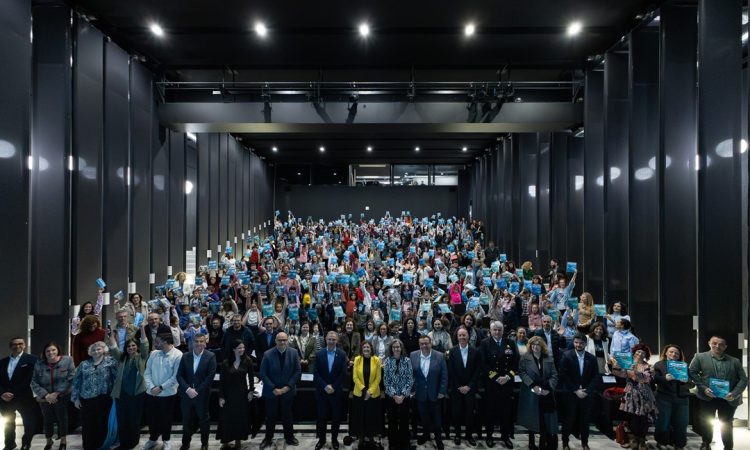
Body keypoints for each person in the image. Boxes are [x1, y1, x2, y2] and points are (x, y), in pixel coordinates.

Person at [689, 335, 748, 450]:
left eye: (721, 344)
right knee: (706, 422)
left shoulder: (735, 361)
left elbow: (743, 379)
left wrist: (734, 393)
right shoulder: (699, 357)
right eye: (714, 343)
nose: (717, 346)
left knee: (726, 423)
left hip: (728, 398)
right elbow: (692, 372)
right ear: (709, 343)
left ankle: (728, 447)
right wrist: (703, 388)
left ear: (725, 347)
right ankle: (706, 444)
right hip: (707, 397)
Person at [109, 321, 149, 450]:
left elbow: (144, 343)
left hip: (136, 393)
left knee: (134, 419)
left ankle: (133, 443)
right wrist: (111, 334)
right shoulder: (122, 358)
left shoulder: (142, 357)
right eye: (128, 346)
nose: (131, 348)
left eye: (133, 346)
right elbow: (113, 347)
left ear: (137, 347)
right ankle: (124, 443)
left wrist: (142, 329)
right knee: (122, 419)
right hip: (121, 394)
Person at [71, 341, 118, 450]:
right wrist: (75, 399)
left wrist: (116, 395)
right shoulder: (83, 364)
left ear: (104, 350)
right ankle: (89, 447)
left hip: (104, 398)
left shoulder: (111, 361)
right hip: (87, 399)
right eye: (93, 350)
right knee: (88, 425)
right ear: (90, 352)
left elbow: (116, 378)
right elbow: (76, 381)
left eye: (99, 349)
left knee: (102, 423)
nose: (96, 351)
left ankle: (102, 446)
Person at [259, 332, 302, 449]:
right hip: (271, 391)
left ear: (287, 340)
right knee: (270, 416)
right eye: (280, 340)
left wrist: (287, 387)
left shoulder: (294, 352)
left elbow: (297, 371)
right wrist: (273, 388)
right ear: (275, 341)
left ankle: (289, 437)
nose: (282, 342)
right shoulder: (267, 354)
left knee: (287, 415)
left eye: (284, 340)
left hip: (287, 391)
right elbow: (263, 373)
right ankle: (268, 438)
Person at [480, 321, 519, 449]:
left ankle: (505, 436)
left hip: (507, 383)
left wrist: (508, 376)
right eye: (495, 330)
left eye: (499, 330)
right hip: (492, 383)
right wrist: (496, 377)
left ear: (503, 331)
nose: (497, 332)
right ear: (490, 331)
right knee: (490, 410)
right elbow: (483, 363)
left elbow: (515, 363)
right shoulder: (485, 343)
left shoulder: (510, 343)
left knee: (506, 411)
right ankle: (489, 436)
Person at [611, 344, 658, 450]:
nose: (640, 354)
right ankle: (634, 440)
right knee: (632, 417)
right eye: (638, 352)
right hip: (631, 393)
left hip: (645, 394)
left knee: (644, 418)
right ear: (634, 353)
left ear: (646, 355)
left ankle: (642, 440)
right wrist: (616, 365)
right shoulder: (628, 364)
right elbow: (618, 373)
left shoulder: (649, 366)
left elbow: (646, 379)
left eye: (642, 353)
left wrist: (634, 371)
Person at [559, 333, 600, 450]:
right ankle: (565, 443)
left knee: (585, 420)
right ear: (573, 342)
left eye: (581, 343)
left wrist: (587, 391)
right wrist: (576, 390)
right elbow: (563, 375)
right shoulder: (566, 355)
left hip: (586, 394)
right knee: (569, 419)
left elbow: (595, 377)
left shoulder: (592, 358)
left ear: (585, 344)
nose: (578, 345)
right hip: (571, 393)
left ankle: (585, 443)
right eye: (576, 342)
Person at [31, 342, 74, 450]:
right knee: (47, 419)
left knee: (62, 418)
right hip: (45, 397)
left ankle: (63, 441)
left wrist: (56, 393)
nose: (51, 352)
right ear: (44, 353)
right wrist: (46, 395)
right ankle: (48, 441)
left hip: (62, 395)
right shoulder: (39, 364)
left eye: (53, 350)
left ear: (58, 350)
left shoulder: (67, 360)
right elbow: (33, 381)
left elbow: (70, 378)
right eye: (48, 351)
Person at [142, 333, 183, 450]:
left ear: (165, 342)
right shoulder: (154, 353)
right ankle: (153, 439)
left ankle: (166, 440)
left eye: (158, 341)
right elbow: (147, 372)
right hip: (151, 393)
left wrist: (160, 388)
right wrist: (151, 387)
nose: (155, 344)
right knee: (151, 418)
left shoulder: (178, 355)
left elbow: (176, 377)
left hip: (167, 394)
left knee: (166, 419)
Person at [177, 334, 217, 450]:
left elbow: (210, 377)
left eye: (201, 341)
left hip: (202, 395)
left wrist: (197, 391)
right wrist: (188, 389)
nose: (199, 344)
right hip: (186, 395)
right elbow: (179, 376)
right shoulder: (185, 356)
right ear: (192, 342)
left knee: (204, 420)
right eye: (196, 341)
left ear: (205, 343)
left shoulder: (211, 356)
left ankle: (204, 443)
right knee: (186, 420)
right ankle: (185, 443)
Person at [517, 336, 558, 450]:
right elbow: (522, 372)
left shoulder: (548, 358)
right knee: (532, 417)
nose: (535, 347)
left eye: (538, 344)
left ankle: (543, 442)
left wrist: (549, 389)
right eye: (533, 344)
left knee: (544, 418)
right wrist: (532, 385)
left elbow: (554, 375)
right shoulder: (525, 357)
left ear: (542, 346)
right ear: (530, 346)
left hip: (546, 392)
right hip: (531, 392)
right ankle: (531, 442)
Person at [0, 338, 39, 450]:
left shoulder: (32, 359)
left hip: (24, 397)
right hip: (5, 398)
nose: (17, 346)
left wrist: (12, 393)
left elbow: (28, 379)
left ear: (24, 345)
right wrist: (2, 393)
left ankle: (26, 443)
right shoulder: (2, 362)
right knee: (8, 423)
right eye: (14, 344)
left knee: (28, 422)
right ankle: (9, 444)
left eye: (20, 343)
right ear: (10, 346)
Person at [410, 335, 448, 450]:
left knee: (437, 419)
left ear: (431, 343)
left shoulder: (439, 356)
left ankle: (438, 439)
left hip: (435, 393)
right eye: (422, 344)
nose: (424, 346)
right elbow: (410, 374)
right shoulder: (413, 355)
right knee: (423, 417)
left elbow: (444, 375)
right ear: (419, 345)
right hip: (420, 393)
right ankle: (426, 434)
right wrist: (412, 390)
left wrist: (442, 391)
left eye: (426, 343)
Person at [313, 332, 348, 450]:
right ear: (326, 340)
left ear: (337, 340)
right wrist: (325, 386)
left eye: (333, 339)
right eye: (329, 339)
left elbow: (343, 373)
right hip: (322, 391)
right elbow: (316, 373)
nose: (331, 341)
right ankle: (321, 440)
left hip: (336, 391)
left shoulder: (342, 354)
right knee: (321, 417)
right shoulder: (319, 354)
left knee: (335, 417)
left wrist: (333, 386)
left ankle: (334, 440)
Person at [218, 339, 255, 449]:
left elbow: (251, 377)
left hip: (242, 393)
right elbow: (221, 381)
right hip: (228, 394)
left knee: (240, 417)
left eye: (243, 347)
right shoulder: (225, 363)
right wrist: (221, 396)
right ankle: (225, 440)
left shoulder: (248, 361)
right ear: (233, 349)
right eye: (239, 348)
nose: (242, 349)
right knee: (227, 418)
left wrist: (251, 391)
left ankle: (238, 439)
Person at [446, 326, 480, 447]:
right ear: (457, 337)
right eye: (460, 335)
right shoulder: (453, 351)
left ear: (468, 336)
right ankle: (457, 434)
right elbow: (451, 370)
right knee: (457, 412)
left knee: (469, 413)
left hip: (470, 388)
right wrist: (460, 386)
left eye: (464, 335)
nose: (462, 337)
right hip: (457, 388)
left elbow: (477, 371)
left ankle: (469, 435)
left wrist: (469, 386)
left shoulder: (475, 351)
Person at [653, 344, 691, 450]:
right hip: (663, 398)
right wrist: (664, 378)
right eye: (671, 352)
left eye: (676, 353)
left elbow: (691, 383)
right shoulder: (659, 364)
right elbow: (654, 379)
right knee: (663, 422)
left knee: (681, 424)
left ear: (680, 355)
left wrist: (685, 381)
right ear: (666, 353)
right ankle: (661, 442)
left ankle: (679, 445)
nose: (674, 354)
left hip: (682, 399)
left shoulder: (684, 366)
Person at [351, 341, 382, 449]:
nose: (366, 349)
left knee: (371, 416)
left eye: (368, 347)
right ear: (361, 349)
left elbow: (378, 377)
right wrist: (364, 390)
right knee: (360, 416)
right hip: (359, 393)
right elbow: (355, 377)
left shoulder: (376, 360)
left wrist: (370, 391)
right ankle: (361, 437)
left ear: (371, 349)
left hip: (373, 394)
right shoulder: (357, 359)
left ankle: (371, 437)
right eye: (364, 347)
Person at [383, 339, 414, 450]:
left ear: (401, 348)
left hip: (404, 396)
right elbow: (386, 380)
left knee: (404, 420)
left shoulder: (407, 360)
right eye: (394, 347)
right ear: (391, 349)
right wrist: (394, 395)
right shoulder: (387, 361)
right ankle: (393, 443)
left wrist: (403, 395)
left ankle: (404, 442)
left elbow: (410, 379)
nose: (396, 349)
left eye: (398, 347)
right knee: (392, 420)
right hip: (392, 397)